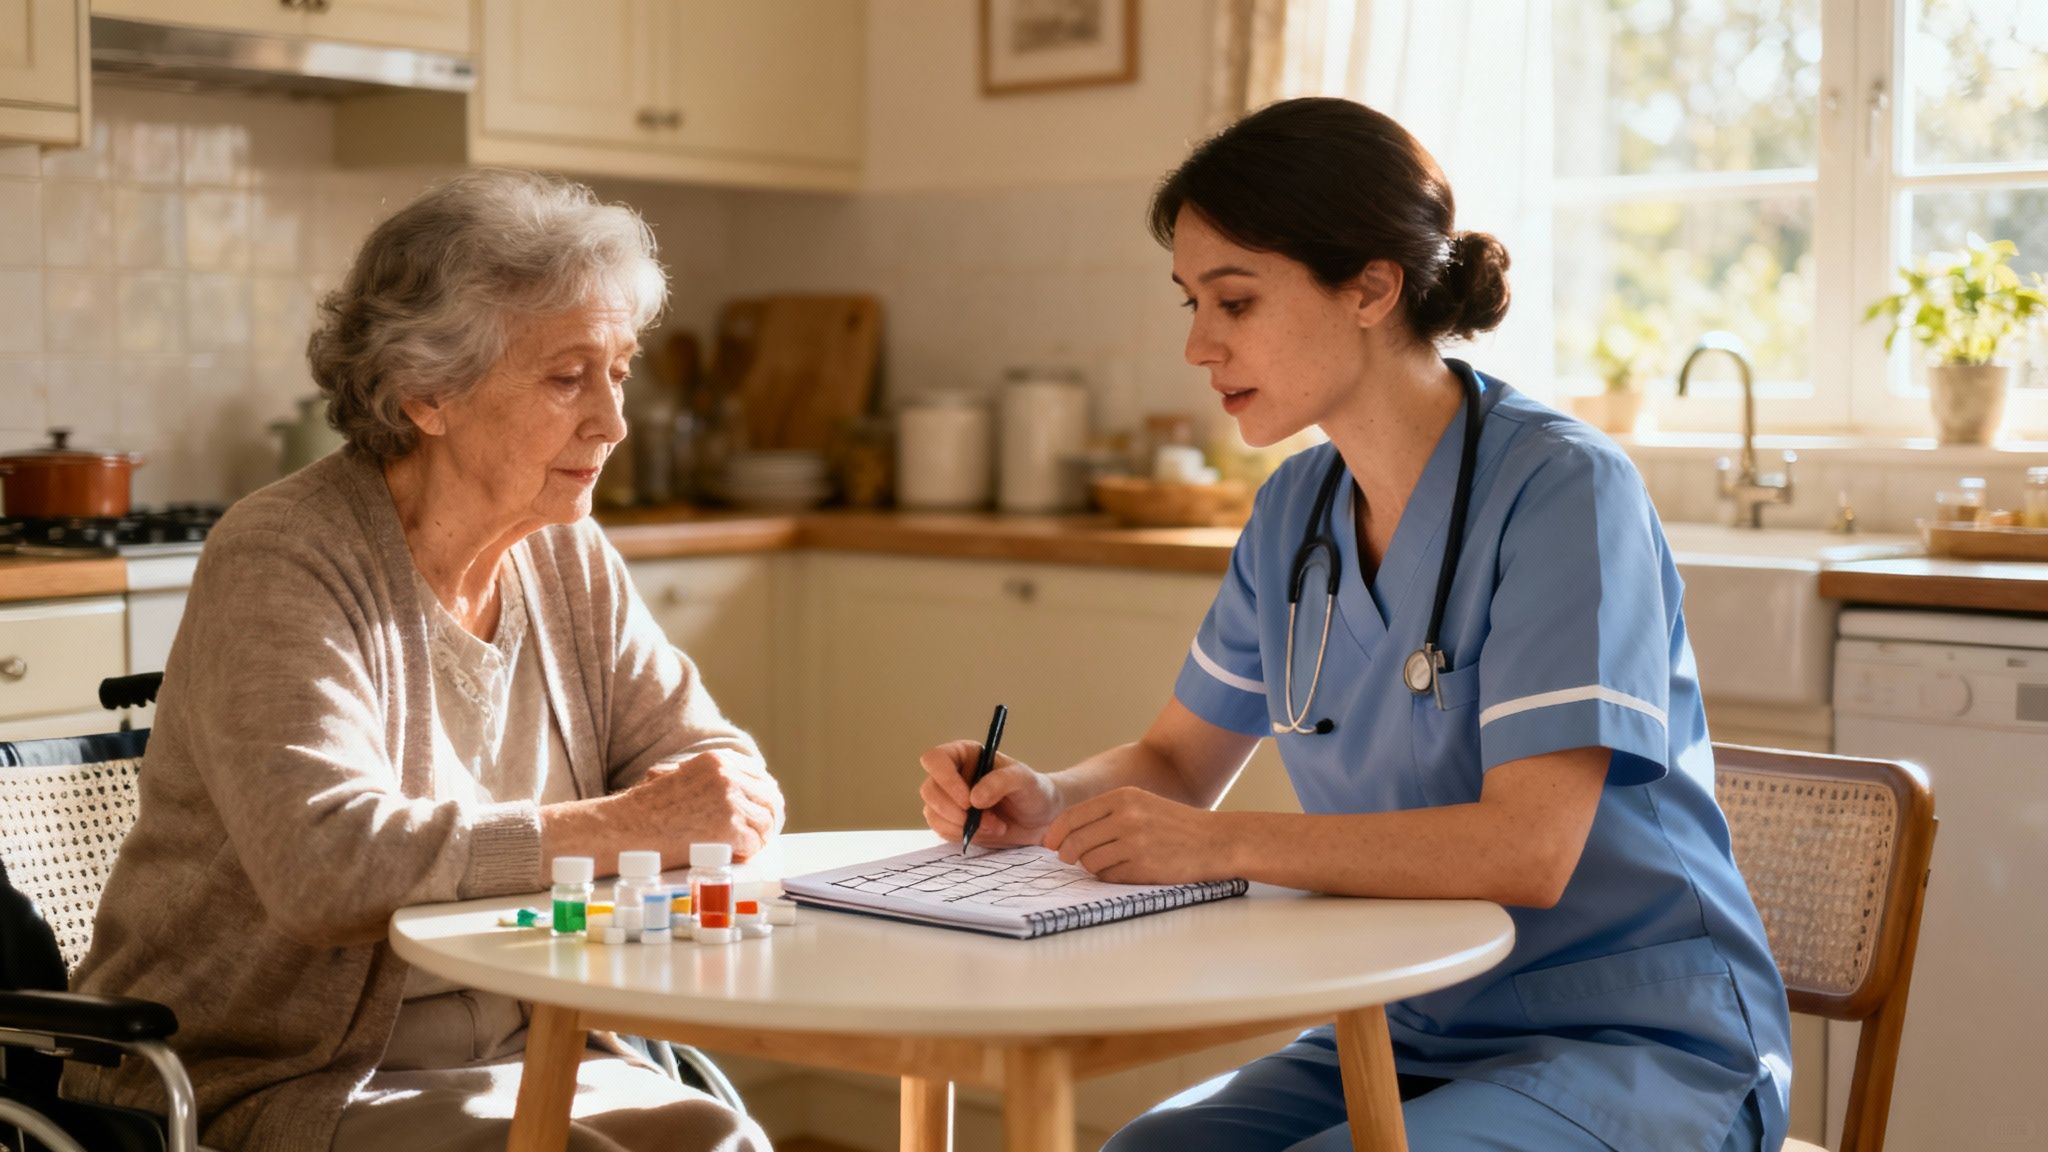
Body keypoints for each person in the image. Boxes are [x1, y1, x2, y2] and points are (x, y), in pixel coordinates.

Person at [916, 98, 1790, 1152]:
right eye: (1190, 302)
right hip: (1411, 1021)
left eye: (1233, 302)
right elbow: (1176, 761)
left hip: (1631, 1042)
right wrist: (1049, 798)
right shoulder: (1294, 510)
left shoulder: (1563, 490)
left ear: (1371, 287)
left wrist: (1211, 847)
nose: (1197, 345)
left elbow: (1528, 850)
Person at [65, 169, 782, 1152]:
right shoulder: (286, 553)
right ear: (426, 394)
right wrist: (626, 826)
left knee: (722, 1144)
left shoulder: (565, 552)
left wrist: (694, 807)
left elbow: (719, 770)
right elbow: (327, 865)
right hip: (281, 1076)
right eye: (567, 376)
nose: (612, 422)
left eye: (619, 371)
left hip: (542, 1046)